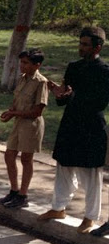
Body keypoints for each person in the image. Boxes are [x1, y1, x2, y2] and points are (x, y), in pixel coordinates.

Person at [39, 26, 109, 233]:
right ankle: (58, 208)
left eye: (85, 45)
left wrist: (72, 96)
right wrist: (60, 95)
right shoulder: (73, 67)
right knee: (64, 166)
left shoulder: (105, 71)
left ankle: (90, 217)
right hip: (71, 123)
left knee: (91, 173)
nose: (81, 48)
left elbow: (100, 103)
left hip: (91, 126)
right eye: (80, 43)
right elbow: (65, 98)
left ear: (98, 47)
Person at [0, 48, 48, 209]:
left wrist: (15, 113)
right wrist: (11, 112)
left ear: (37, 65)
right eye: (21, 62)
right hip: (19, 122)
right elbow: (16, 99)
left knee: (26, 159)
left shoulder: (41, 82)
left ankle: (23, 195)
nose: (22, 65)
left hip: (31, 125)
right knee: (9, 155)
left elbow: (37, 111)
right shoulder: (22, 79)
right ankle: (14, 189)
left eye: (26, 63)